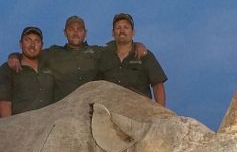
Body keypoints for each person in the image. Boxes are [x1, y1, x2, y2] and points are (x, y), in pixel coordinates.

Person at [8, 16, 148, 102]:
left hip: (90, 110)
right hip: (62, 111)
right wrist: (14, 56)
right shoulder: (53, 52)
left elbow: (120, 46)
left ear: (85, 33)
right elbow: (31, 52)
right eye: (71, 29)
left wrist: (137, 44)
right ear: (65, 32)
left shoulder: (98, 51)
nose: (75, 33)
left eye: (79, 29)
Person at [99, 13, 167, 106]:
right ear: (113, 32)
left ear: (133, 32)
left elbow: (158, 86)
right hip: (110, 111)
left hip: (140, 112)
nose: (122, 31)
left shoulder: (145, 55)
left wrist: (161, 114)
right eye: (118, 28)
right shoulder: (102, 55)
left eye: (126, 27)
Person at [0, 27, 55, 117]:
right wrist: (10, 129)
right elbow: (4, 103)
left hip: (48, 125)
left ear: (42, 46)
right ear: (21, 44)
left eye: (37, 41)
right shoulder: (8, 68)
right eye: (28, 40)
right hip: (22, 126)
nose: (32, 45)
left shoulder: (49, 65)